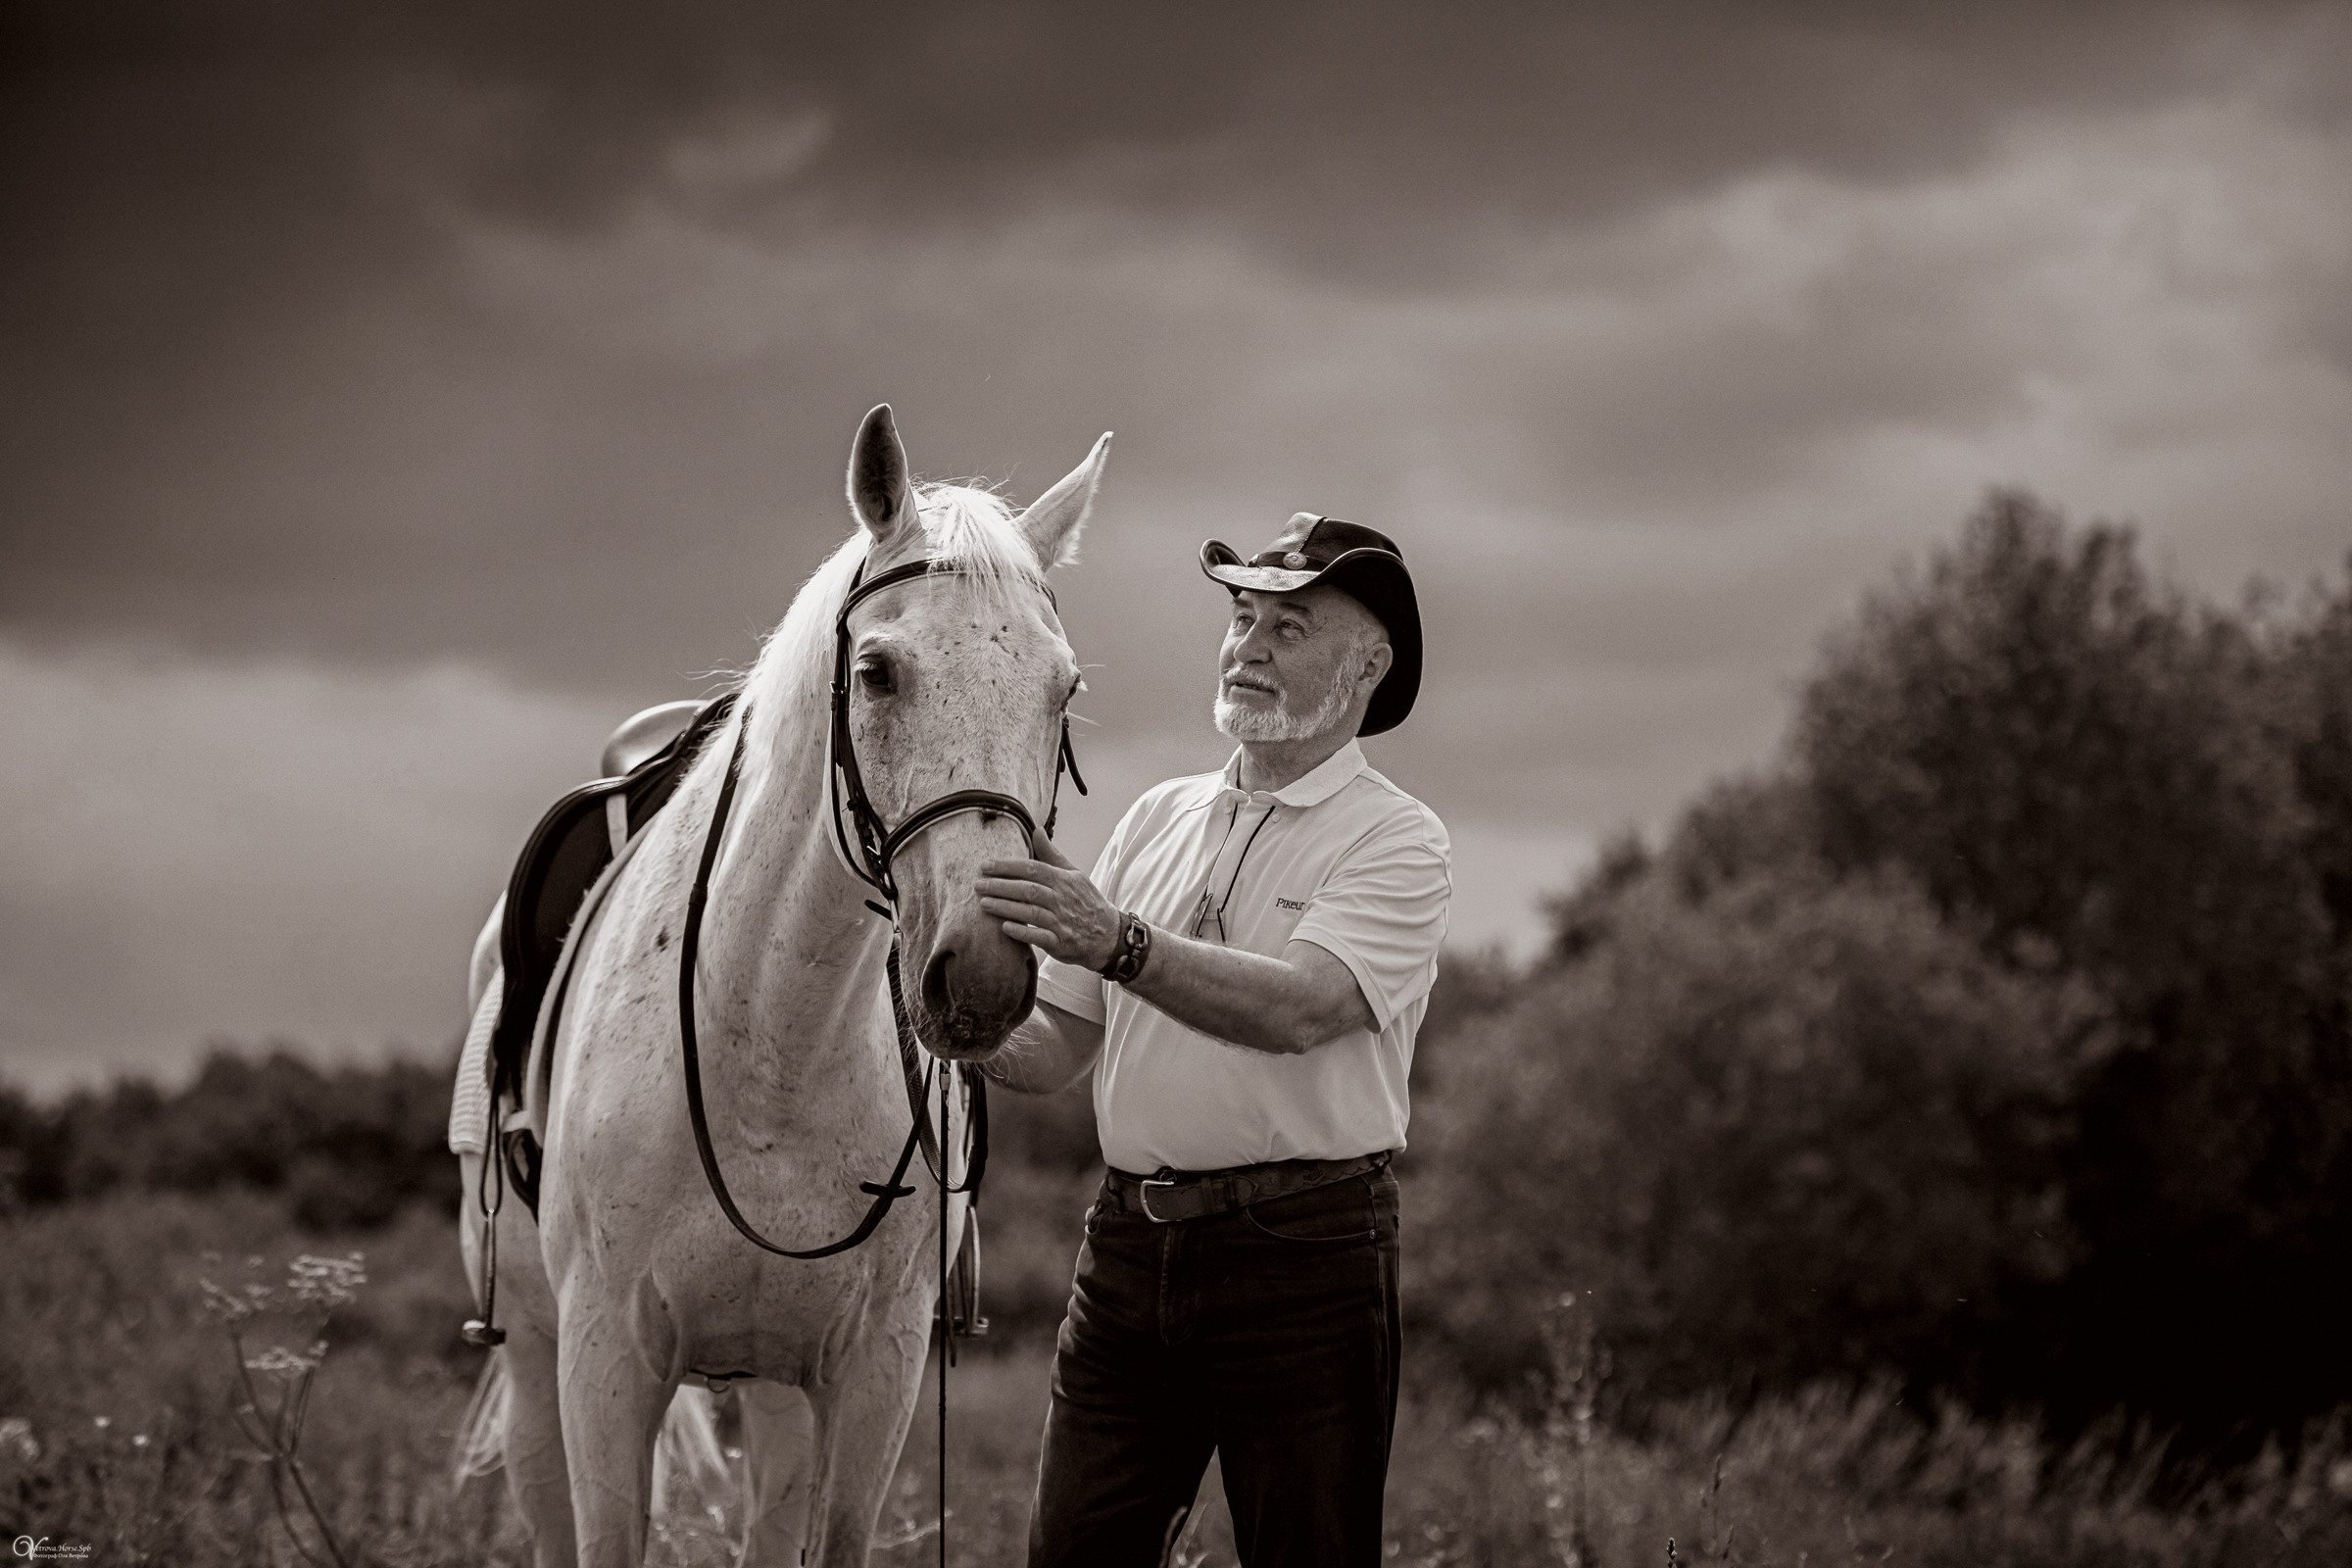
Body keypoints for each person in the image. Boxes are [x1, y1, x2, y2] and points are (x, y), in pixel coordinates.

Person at [977, 513, 1451, 1567]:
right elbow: (1054, 1047)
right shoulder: (1155, 815)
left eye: (1290, 626)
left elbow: (1303, 1008)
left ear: (1369, 665)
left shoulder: (1397, 837)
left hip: (1304, 1258)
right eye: (1241, 618)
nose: (1249, 647)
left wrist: (1120, 941)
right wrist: (948, 1021)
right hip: (1125, 1250)